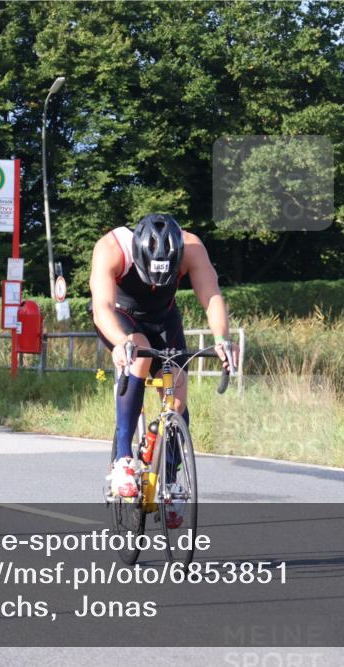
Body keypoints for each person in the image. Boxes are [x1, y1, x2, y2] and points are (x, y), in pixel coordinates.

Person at [89, 213, 237, 525]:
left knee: (178, 384)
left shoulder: (192, 248)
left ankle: (169, 477)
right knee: (139, 351)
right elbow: (102, 308)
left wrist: (222, 339)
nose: (157, 281)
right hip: (121, 317)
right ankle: (123, 461)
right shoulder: (112, 248)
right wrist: (120, 342)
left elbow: (210, 296)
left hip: (164, 318)